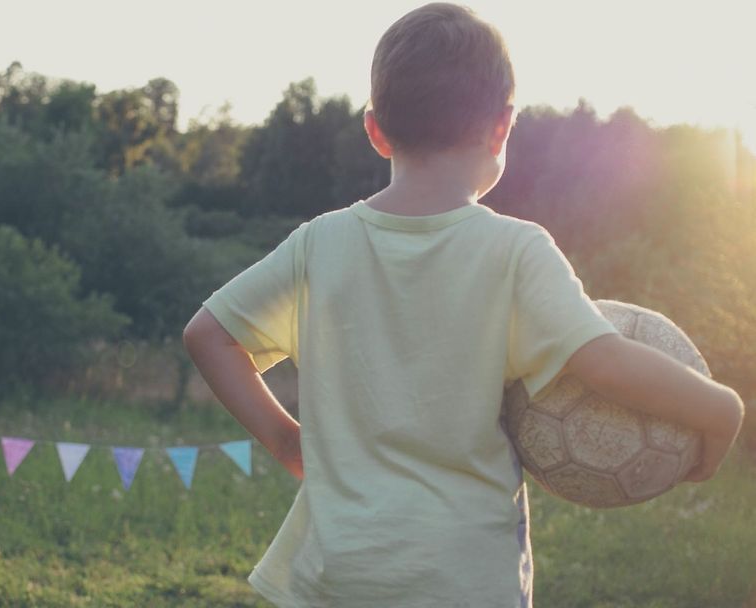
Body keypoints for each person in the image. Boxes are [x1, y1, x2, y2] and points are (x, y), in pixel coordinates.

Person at [182, 3, 745, 606]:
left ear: (376, 129)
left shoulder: (321, 242)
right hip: (462, 577)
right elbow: (603, 360)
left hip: (340, 572)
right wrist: (720, 408)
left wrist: (285, 441)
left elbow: (209, 333)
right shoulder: (515, 250)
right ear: (502, 127)